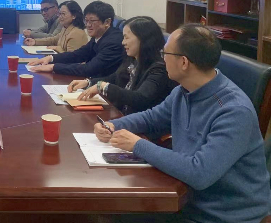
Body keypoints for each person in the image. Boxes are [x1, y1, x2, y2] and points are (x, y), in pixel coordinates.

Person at [95, 24, 271, 223]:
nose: (162, 59)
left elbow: (200, 173)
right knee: (110, 211)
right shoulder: (183, 90)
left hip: (220, 215)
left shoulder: (234, 111)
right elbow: (152, 118)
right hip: (187, 199)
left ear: (184, 62)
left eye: (165, 53)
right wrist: (113, 125)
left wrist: (137, 145)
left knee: (114, 213)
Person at [69, 16, 175, 115]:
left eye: (126, 38)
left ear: (143, 39)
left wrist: (104, 87)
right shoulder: (133, 60)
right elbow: (115, 78)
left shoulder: (159, 69)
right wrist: (89, 82)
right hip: (121, 115)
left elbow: (140, 98)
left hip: (137, 123)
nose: (123, 42)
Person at [28, 1, 124, 77]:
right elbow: (78, 54)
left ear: (107, 22)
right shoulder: (98, 36)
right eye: (86, 20)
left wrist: (54, 67)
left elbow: (89, 69)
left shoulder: (113, 42)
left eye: (92, 21)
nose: (88, 25)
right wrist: (51, 58)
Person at [24, 0, 88, 53]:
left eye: (63, 14)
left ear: (74, 16)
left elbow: (72, 59)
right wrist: (35, 42)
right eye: (59, 14)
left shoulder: (76, 33)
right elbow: (54, 39)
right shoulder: (65, 28)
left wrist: (58, 49)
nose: (60, 17)